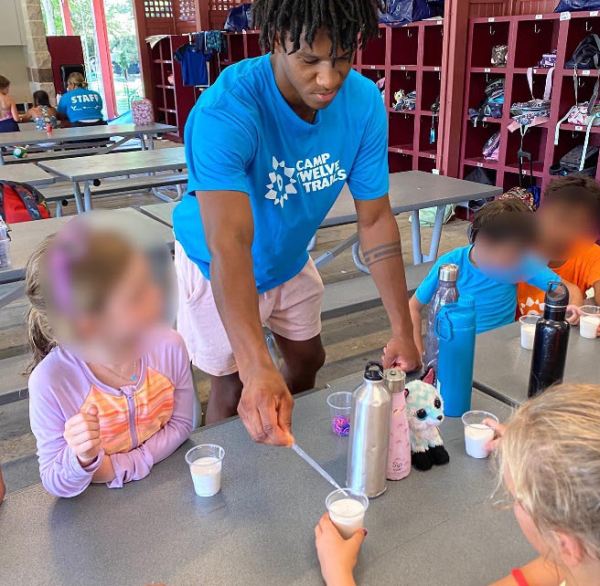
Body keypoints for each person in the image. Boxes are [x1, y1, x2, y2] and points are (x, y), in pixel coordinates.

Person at [173, 0, 421, 446]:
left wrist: (403, 330)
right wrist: (256, 368)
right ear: (274, 40)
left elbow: (376, 220)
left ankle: (282, 442)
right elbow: (228, 244)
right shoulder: (226, 110)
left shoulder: (363, 103)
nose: (328, 80)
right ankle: (225, 488)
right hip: (216, 262)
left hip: (287, 254)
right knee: (233, 385)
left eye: (342, 58)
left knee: (308, 358)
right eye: (309, 60)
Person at [315, 383, 600, 586]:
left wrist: (338, 573)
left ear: (566, 545)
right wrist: (532, 445)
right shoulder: (583, 563)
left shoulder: (570, 559)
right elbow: (552, 567)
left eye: (517, 498)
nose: (514, 504)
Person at [26, 222, 194, 498]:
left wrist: (120, 467)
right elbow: (54, 480)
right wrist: (82, 459)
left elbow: (182, 423)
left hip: (168, 492)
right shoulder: (50, 382)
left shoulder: (169, 346)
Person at [407, 198, 582, 356]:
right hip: (453, 347)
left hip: (498, 349)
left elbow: (568, 290)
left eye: (516, 254)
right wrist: (417, 351)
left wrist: (572, 309)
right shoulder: (451, 265)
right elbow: (413, 307)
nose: (507, 262)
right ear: (479, 240)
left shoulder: (521, 262)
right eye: (504, 255)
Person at [518, 176, 600, 315]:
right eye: (561, 219)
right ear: (541, 213)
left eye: (579, 225)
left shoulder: (589, 252)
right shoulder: (513, 250)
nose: (567, 233)